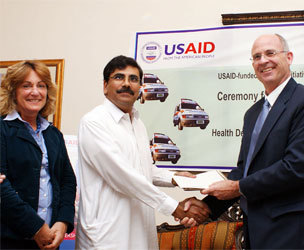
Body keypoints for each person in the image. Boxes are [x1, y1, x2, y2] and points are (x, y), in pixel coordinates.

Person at [182, 34, 304, 249]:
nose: (263, 60)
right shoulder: (253, 113)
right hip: (255, 231)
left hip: (293, 231)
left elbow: (297, 167)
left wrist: (237, 187)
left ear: (289, 57)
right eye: (256, 56)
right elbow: (244, 171)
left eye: (270, 53)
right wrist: (206, 207)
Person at [75, 55, 209, 249]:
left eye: (133, 79)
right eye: (119, 77)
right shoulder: (94, 122)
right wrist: (175, 208)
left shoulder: (137, 123)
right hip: (107, 236)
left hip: (140, 231)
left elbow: (141, 166)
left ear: (140, 88)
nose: (127, 84)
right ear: (105, 85)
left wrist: (174, 177)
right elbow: (122, 175)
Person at [0, 60, 77, 249]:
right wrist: (36, 227)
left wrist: (63, 222)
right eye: (26, 86)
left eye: (41, 86)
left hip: (51, 239)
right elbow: (1, 186)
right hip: (10, 240)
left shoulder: (53, 134)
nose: (35, 92)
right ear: (13, 92)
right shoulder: (2, 129)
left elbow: (67, 180)